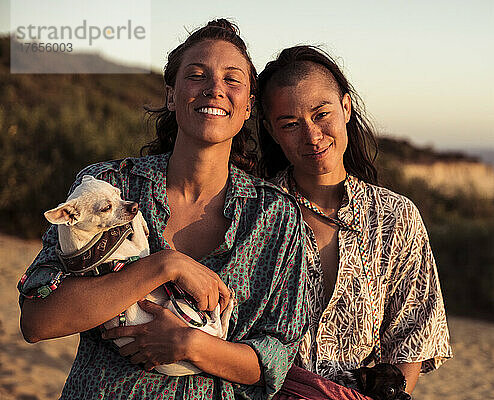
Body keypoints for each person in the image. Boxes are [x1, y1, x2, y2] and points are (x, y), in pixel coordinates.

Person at [18, 20, 307, 400]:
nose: (215, 88)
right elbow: (39, 320)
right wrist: (164, 266)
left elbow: (273, 361)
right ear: (172, 96)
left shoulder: (275, 216)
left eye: (232, 79)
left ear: (249, 104)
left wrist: (189, 345)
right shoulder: (109, 185)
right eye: (197, 75)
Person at [256, 45, 452, 398]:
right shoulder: (255, 213)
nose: (312, 135)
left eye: (321, 114)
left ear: (346, 107)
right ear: (272, 131)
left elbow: (412, 338)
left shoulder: (396, 217)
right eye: (290, 124)